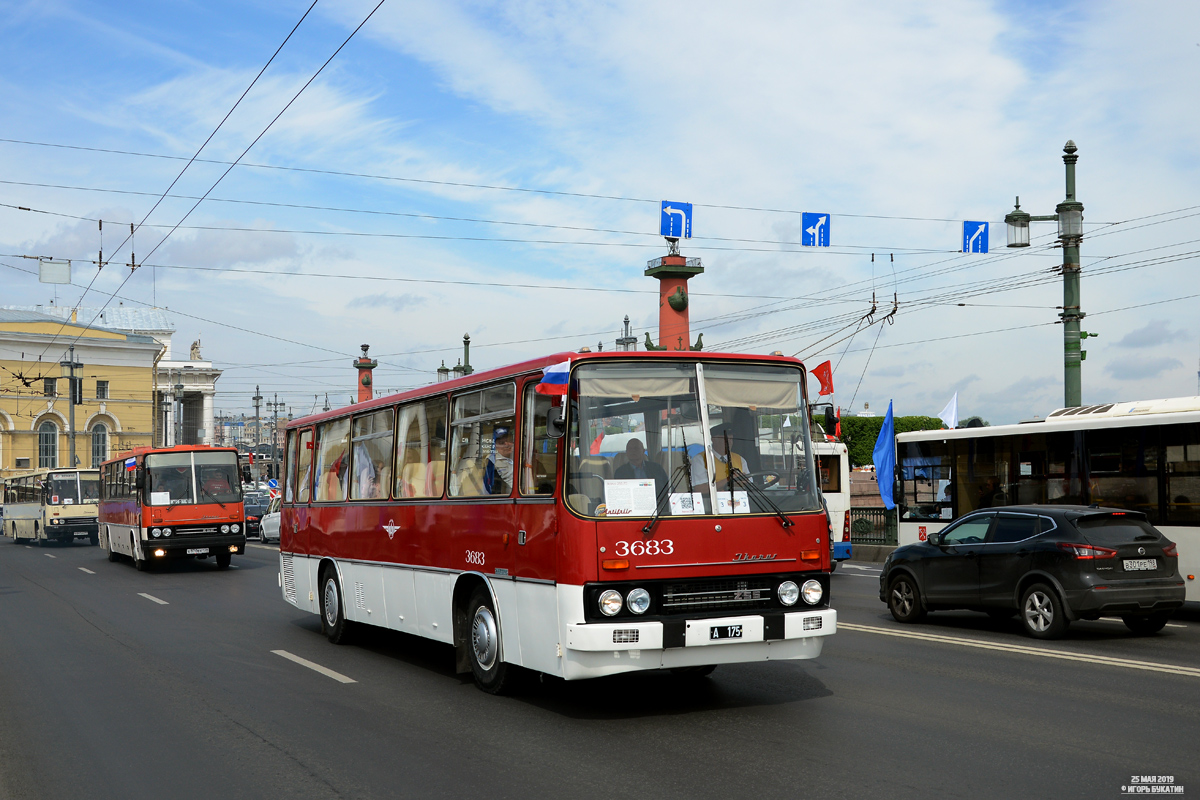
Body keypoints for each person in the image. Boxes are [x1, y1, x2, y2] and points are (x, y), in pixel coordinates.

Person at [689, 428, 750, 496]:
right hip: (713, 503)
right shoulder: (701, 459)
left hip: (739, 501)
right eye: (725, 439)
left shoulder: (740, 459)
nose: (729, 442)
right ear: (713, 439)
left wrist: (743, 482)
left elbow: (750, 484)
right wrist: (729, 480)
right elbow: (700, 489)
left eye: (731, 439)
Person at [484, 426, 514, 495]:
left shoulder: (517, 458)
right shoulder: (491, 461)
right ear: (495, 445)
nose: (507, 446)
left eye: (510, 441)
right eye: (502, 443)